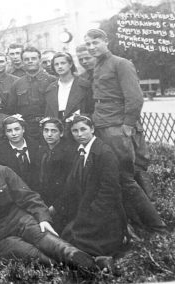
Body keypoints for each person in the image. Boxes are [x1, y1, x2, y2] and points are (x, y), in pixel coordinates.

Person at [0, 134, 103, 268]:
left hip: (18, 220)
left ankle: (90, 262)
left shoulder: (3, 171)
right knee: (36, 256)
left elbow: (28, 196)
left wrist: (43, 218)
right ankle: (92, 265)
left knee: (53, 244)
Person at [84, 28, 165, 232]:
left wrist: (128, 126)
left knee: (125, 177)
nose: (92, 47)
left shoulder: (121, 63)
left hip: (116, 127)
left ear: (106, 41)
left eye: (96, 42)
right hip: (102, 124)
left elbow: (135, 98)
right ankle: (135, 223)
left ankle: (156, 226)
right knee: (115, 176)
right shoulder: (98, 65)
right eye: (88, 44)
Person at [53, 115, 127, 258]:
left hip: (104, 214)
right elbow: (72, 186)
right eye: (75, 131)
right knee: (66, 234)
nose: (79, 134)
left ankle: (100, 260)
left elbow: (110, 190)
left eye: (83, 129)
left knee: (76, 239)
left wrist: (91, 215)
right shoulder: (80, 151)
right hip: (86, 210)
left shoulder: (104, 152)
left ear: (92, 129)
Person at [8, 46, 56, 139]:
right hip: (27, 130)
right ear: (22, 62)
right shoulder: (17, 84)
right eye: (26, 59)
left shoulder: (52, 81)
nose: (30, 61)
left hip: (49, 127)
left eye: (33, 58)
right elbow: (11, 109)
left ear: (40, 60)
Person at [0, 114, 40, 191]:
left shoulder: (35, 146)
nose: (14, 134)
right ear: (5, 133)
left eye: (17, 129)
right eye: (9, 131)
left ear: (23, 129)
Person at [45, 52, 94, 124]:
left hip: (78, 126)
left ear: (70, 64)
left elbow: (91, 109)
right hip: (57, 126)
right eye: (56, 64)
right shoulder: (51, 88)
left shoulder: (84, 85)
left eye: (63, 63)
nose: (60, 66)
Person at [38, 117, 76, 209]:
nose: (49, 134)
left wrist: (56, 206)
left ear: (61, 133)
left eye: (54, 131)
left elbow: (70, 185)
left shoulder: (68, 154)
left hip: (61, 203)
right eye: (46, 131)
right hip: (44, 200)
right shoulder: (41, 151)